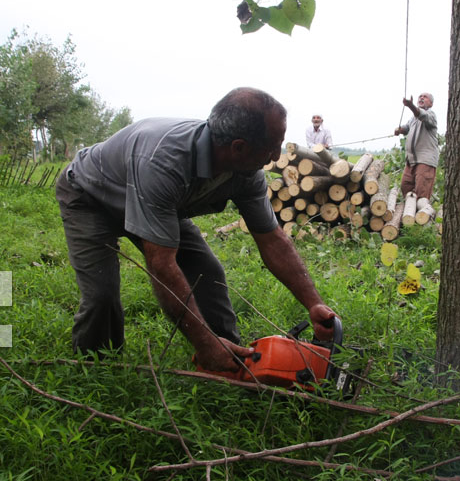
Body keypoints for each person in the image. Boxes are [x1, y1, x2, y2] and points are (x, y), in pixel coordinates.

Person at [56, 87, 337, 371]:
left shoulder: (246, 172)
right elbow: (162, 267)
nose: (275, 155)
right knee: (101, 295)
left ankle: (230, 359)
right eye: (270, 146)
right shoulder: (165, 160)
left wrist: (313, 304)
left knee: (207, 272)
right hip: (91, 197)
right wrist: (204, 345)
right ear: (239, 147)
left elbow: (272, 240)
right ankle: (95, 370)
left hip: (158, 202)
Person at [393, 92, 439, 200]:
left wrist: (410, 106)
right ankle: (409, 215)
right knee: (405, 187)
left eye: (425, 97)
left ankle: (421, 215)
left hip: (425, 161)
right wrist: (399, 130)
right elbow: (406, 128)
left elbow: (421, 115)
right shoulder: (413, 119)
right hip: (411, 161)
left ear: (431, 104)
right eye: (420, 96)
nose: (422, 98)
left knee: (421, 194)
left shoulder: (431, 115)